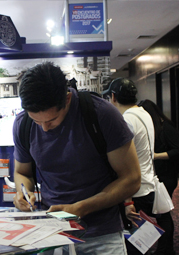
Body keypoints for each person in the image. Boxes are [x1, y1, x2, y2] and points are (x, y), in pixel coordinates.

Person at [12, 62, 141, 255]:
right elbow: (22, 172)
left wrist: (80, 208)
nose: (45, 128)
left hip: (101, 234)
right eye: (37, 121)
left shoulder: (101, 114)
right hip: (52, 233)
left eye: (51, 120)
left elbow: (132, 179)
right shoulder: (23, 124)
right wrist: (23, 191)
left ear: (67, 98)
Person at [103, 78, 155, 255]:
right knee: (142, 244)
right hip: (148, 185)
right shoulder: (144, 113)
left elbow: (125, 164)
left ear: (113, 97)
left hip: (134, 193)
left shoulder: (126, 120)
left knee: (133, 246)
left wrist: (128, 201)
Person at [139, 99, 179, 255]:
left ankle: (165, 249)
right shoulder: (151, 129)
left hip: (166, 178)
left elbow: (177, 150)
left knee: (162, 213)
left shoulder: (165, 127)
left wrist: (155, 156)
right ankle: (164, 248)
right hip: (156, 178)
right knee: (159, 213)